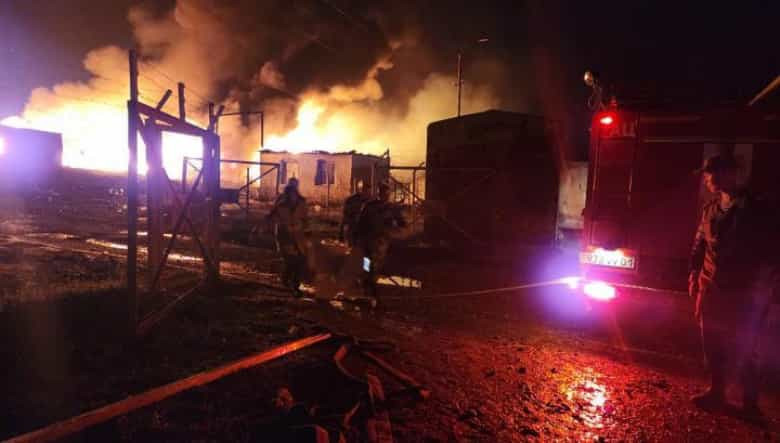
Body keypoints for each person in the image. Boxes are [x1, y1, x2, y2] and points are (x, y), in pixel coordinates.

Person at [688, 153, 778, 416]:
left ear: (732, 174)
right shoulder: (710, 209)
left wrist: (769, 284)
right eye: (708, 174)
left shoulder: (758, 208)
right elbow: (699, 244)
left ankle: (750, 403)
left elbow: (772, 249)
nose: (708, 179)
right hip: (711, 286)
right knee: (712, 339)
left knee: (747, 344)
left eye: (713, 173)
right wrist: (694, 276)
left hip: (745, 289)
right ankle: (716, 391)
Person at [354, 181, 406, 299]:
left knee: (374, 262)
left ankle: (370, 282)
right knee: (368, 260)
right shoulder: (369, 206)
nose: (384, 195)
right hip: (369, 239)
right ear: (379, 193)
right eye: (382, 193)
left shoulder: (391, 208)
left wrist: (395, 227)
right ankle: (368, 281)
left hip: (380, 241)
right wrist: (357, 237)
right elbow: (361, 222)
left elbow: (401, 223)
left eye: (386, 193)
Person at [267, 177, 309, 296]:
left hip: (298, 237)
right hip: (285, 236)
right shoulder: (281, 205)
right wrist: (283, 225)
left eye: (294, 193)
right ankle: (290, 282)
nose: (292, 196)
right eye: (290, 194)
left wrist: (302, 227)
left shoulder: (302, 203)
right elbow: (271, 217)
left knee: (300, 260)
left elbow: (306, 219)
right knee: (291, 260)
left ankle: (293, 283)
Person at [339, 181, 371, 247]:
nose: (367, 193)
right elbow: (345, 217)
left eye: (368, 191)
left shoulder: (369, 201)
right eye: (364, 190)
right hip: (352, 228)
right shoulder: (351, 200)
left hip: (365, 230)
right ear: (359, 190)